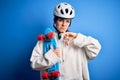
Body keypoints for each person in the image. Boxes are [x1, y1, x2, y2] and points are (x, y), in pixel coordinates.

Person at [30, 2, 101, 80]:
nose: (64, 24)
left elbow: (96, 49)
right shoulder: (45, 40)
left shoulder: (78, 41)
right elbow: (34, 64)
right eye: (60, 20)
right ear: (55, 21)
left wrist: (77, 36)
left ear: (70, 23)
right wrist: (51, 56)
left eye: (67, 21)